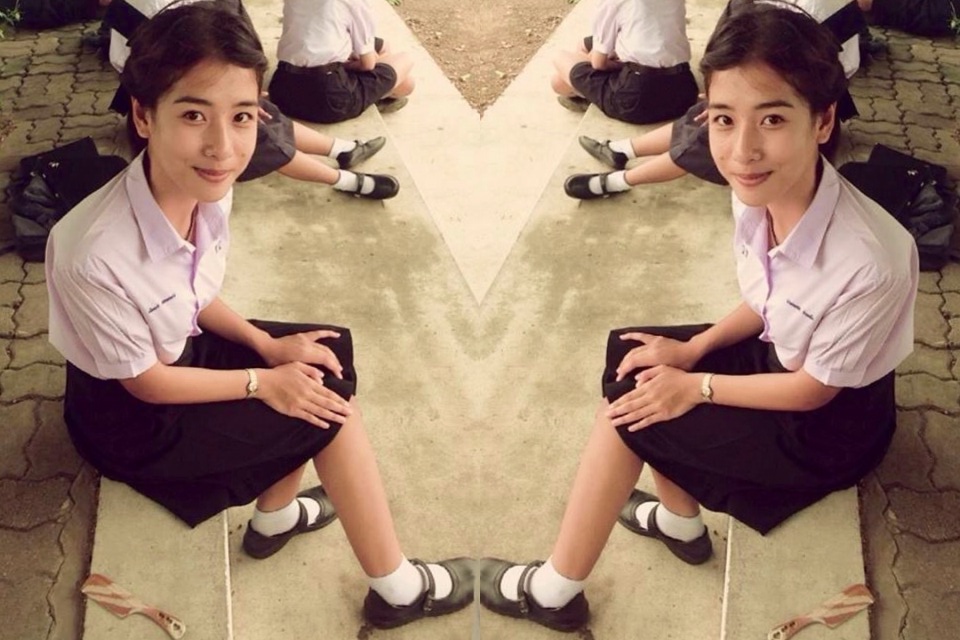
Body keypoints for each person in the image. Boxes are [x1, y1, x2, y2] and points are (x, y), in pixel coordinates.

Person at [478, 2, 918, 631]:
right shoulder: (761, 193)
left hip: (829, 426)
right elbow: (771, 299)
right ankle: (680, 523)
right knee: (634, 354)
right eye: (724, 119)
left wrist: (697, 385)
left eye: (772, 118)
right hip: (784, 360)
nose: (742, 150)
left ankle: (554, 592)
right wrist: (692, 350)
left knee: (628, 416)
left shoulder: (871, 260)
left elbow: (815, 390)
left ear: (822, 121)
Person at [45, 4, 471, 628]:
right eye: (194, 115)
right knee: (328, 411)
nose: (223, 147)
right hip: (130, 417)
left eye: (241, 116)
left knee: (323, 353)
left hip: (179, 352)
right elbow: (145, 382)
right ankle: (397, 589)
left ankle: (275, 519)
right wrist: (261, 381)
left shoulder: (206, 189)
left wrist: (266, 347)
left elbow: (189, 295)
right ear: (143, 115)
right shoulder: (92, 253)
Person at [565, 0, 865, 200]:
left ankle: (617, 182)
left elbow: (835, 69)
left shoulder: (818, 7)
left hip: (802, 95)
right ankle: (622, 150)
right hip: (764, 87)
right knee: (705, 114)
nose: (744, 150)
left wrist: (747, 103)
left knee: (705, 137)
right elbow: (735, 40)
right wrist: (722, 95)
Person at [107, 0, 399, 200]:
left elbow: (236, 40)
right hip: (165, 96)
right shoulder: (142, 8)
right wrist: (220, 99)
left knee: (262, 112)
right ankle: (346, 181)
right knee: (261, 137)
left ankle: (341, 150)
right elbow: (130, 66)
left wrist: (242, 91)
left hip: (207, 88)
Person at [550, 0, 699, 124]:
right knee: (585, 44)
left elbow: (598, 64)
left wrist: (619, 64)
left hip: (637, 100)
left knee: (559, 76)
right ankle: (594, 88)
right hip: (685, 91)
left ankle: (594, 96)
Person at [267, 0, 415, 124]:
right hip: (328, 100)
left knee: (381, 46)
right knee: (406, 78)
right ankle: (369, 96)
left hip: (281, 89)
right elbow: (368, 64)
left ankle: (368, 87)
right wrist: (348, 64)